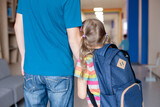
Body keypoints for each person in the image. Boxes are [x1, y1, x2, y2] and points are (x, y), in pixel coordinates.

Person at [14, 0, 82, 106]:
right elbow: (74, 38)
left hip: (32, 68)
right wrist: (85, 64)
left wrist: (24, 57)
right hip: (60, 69)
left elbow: (18, 27)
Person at [74, 19, 111, 107]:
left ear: (84, 38)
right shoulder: (112, 54)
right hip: (117, 101)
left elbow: (81, 95)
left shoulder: (85, 61)